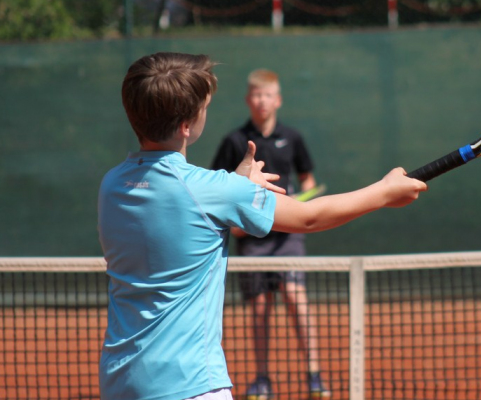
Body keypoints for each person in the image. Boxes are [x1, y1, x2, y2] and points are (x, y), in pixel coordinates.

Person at [97, 52, 426, 400]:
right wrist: (384, 192)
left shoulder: (112, 185)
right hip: (190, 385)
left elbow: (178, 210)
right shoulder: (214, 190)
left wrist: (235, 185)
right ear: (187, 126)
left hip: (120, 382)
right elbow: (309, 216)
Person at [210, 69, 327, 400]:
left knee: (294, 295)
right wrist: (236, 225)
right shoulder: (234, 142)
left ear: (277, 100)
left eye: (267, 95)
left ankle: (314, 373)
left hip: (287, 234)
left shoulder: (293, 137)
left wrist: (306, 198)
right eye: (256, 95)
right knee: (260, 306)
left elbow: (308, 179)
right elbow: (219, 186)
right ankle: (262, 379)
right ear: (249, 100)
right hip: (253, 238)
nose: (261, 101)